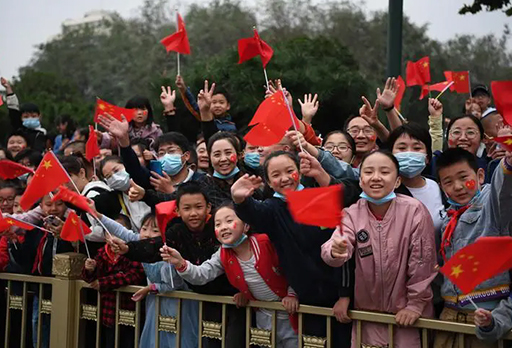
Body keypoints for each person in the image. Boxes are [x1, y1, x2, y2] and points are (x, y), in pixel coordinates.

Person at [231, 151, 361, 347]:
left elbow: (341, 247)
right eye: (275, 175)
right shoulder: (272, 209)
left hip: (340, 297)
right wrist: (239, 200)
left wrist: (344, 295)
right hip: (306, 300)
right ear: (267, 181)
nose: (284, 179)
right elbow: (254, 213)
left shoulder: (317, 197)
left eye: (289, 171)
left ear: (299, 172)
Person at [321, 150, 437, 348]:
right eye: (368, 172)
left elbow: (422, 262)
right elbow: (337, 243)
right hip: (368, 316)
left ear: (398, 181)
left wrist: (415, 305)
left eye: (384, 172)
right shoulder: (351, 213)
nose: (375, 178)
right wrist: (335, 251)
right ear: (360, 180)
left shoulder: (414, 210)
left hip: (407, 317)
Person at [109, 182, 246, 348]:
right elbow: (154, 247)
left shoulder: (219, 228)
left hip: (233, 298)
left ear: (209, 207)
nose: (193, 213)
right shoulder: (177, 231)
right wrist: (128, 248)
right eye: (187, 208)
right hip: (202, 299)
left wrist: (244, 290)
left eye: (198, 207)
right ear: (178, 211)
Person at [161, 202, 299, 348]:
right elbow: (201, 275)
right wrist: (180, 262)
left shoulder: (266, 242)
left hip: (291, 315)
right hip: (263, 316)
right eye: (218, 224)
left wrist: (292, 294)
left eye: (229, 221)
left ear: (246, 225)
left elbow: (294, 268)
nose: (223, 227)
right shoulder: (222, 253)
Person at [433, 146, 512, 348]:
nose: (458, 187)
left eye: (463, 177)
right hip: (449, 317)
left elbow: (502, 191)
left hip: (486, 316)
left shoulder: (491, 206)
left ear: (480, 175)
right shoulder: (447, 219)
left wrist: (508, 165)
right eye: (448, 182)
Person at [93, 209, 198, 348]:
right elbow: (122, 231)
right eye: (144, 228)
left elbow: (176, 285)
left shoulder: (168, 252)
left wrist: (150, 288)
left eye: (155, 230)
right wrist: (98, 214)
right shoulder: (143, 245)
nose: (147, 234)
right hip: (155, 302)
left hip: (178, 304)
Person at [82, 243, 145, 348]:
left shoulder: (133, 253)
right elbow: (90, 279)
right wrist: (90, 269)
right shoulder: (102, 253)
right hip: (107, 312)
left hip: (128, 313)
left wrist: (104, 282)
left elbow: (133, 275)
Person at [387, 124, 446, 231]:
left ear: (428, 158)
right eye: (402, 148)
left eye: (417, 148)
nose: (409, 153)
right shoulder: (383, 191)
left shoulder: (439, 188)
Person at [1, 77, 48, 152]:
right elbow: (13, 110)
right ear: (20, 118)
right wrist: (8, 89)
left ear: (39, 117)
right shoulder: (19, 129)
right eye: (26, 116)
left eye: (33, 116)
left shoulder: (42, 134)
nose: (30, 118)